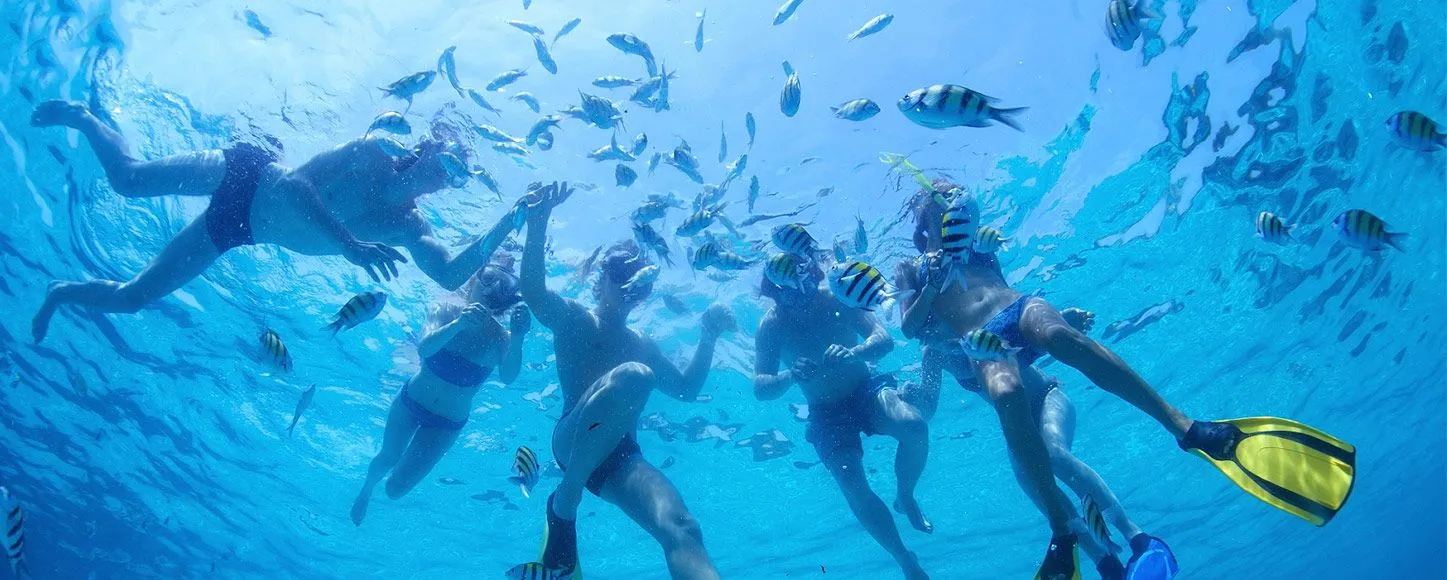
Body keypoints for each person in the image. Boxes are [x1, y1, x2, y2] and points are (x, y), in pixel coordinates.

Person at [895, 179, 1356, 579]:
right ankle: (1071, 534)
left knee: (1061, 336)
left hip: (1018, 308)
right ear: (921, 226)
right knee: (1006, 392)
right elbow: (910, 327)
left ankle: (1186, 428)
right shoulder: (911, 269)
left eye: (947, 202)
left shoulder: (974, 240)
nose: (945, 207)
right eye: (934, 207)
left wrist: (961, 211)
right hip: (982, 341)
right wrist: (932, 282)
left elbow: (986, 259)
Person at [29, 100, 518, 342]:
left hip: (244, 231)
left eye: (458, 173)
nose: (445, 172)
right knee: (128, 181)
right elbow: (293, 186)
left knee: (134, 298)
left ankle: (60, 291)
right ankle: (85, 118)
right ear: (426, 144)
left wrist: (509, 222)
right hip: (247, 175)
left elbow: (451, 274)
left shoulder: (410, 227)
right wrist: (348, 244)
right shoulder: (372, 152)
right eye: (446, 156)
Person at [513, 182, 736, 580]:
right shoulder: (575, 320)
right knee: (635, 376)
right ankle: (567, 500)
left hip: (622, 457)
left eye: (642, 279)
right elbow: (531, 291)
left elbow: (686, 390)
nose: (632, 284)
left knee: (683, 527)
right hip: (573, 438)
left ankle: (566, 502)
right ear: (604, 277)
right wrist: (538, 219)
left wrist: (708, 334)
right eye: (622, 272)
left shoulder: (643, 344)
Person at [906, 302, 1155, 580]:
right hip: (1017, 426)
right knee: (1031, 482)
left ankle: (1134, 536)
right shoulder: (933, 356)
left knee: (1054, 455)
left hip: (1047, 397)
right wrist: (912, 397)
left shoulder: (972, 328)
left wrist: (1061, 318)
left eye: (928, 325)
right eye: (918, 333)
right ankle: (1105, 563)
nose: (926, 335)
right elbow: (928, 407)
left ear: (941, 315)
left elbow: (1022, 326)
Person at [753, 258, 931, 580]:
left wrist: (856, 353)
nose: (800, 299)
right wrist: (790, 376)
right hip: (825, 413)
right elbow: (761, 387)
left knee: (914, 425)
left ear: (813, 277)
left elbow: (883, 339)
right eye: (787, 293)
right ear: (774, 292)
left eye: (805, 286)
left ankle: (905, 494)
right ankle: (904, 558)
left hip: (867, 389)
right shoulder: (771, 325)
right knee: (852, 486)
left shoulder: (837, 297)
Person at [350, 248, 530, 526]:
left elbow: (508, 377)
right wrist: (458, 324)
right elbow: (424, 348)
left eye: (504, 286)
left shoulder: (500, 337)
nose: (493, 287)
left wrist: (517, 338)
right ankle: (365, 491)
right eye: (489, 278)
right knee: (388, 457)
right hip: (410, 402)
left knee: (395, 489)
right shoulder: (445, 309)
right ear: (473, 280)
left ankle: (386, 483)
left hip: (446, 424)